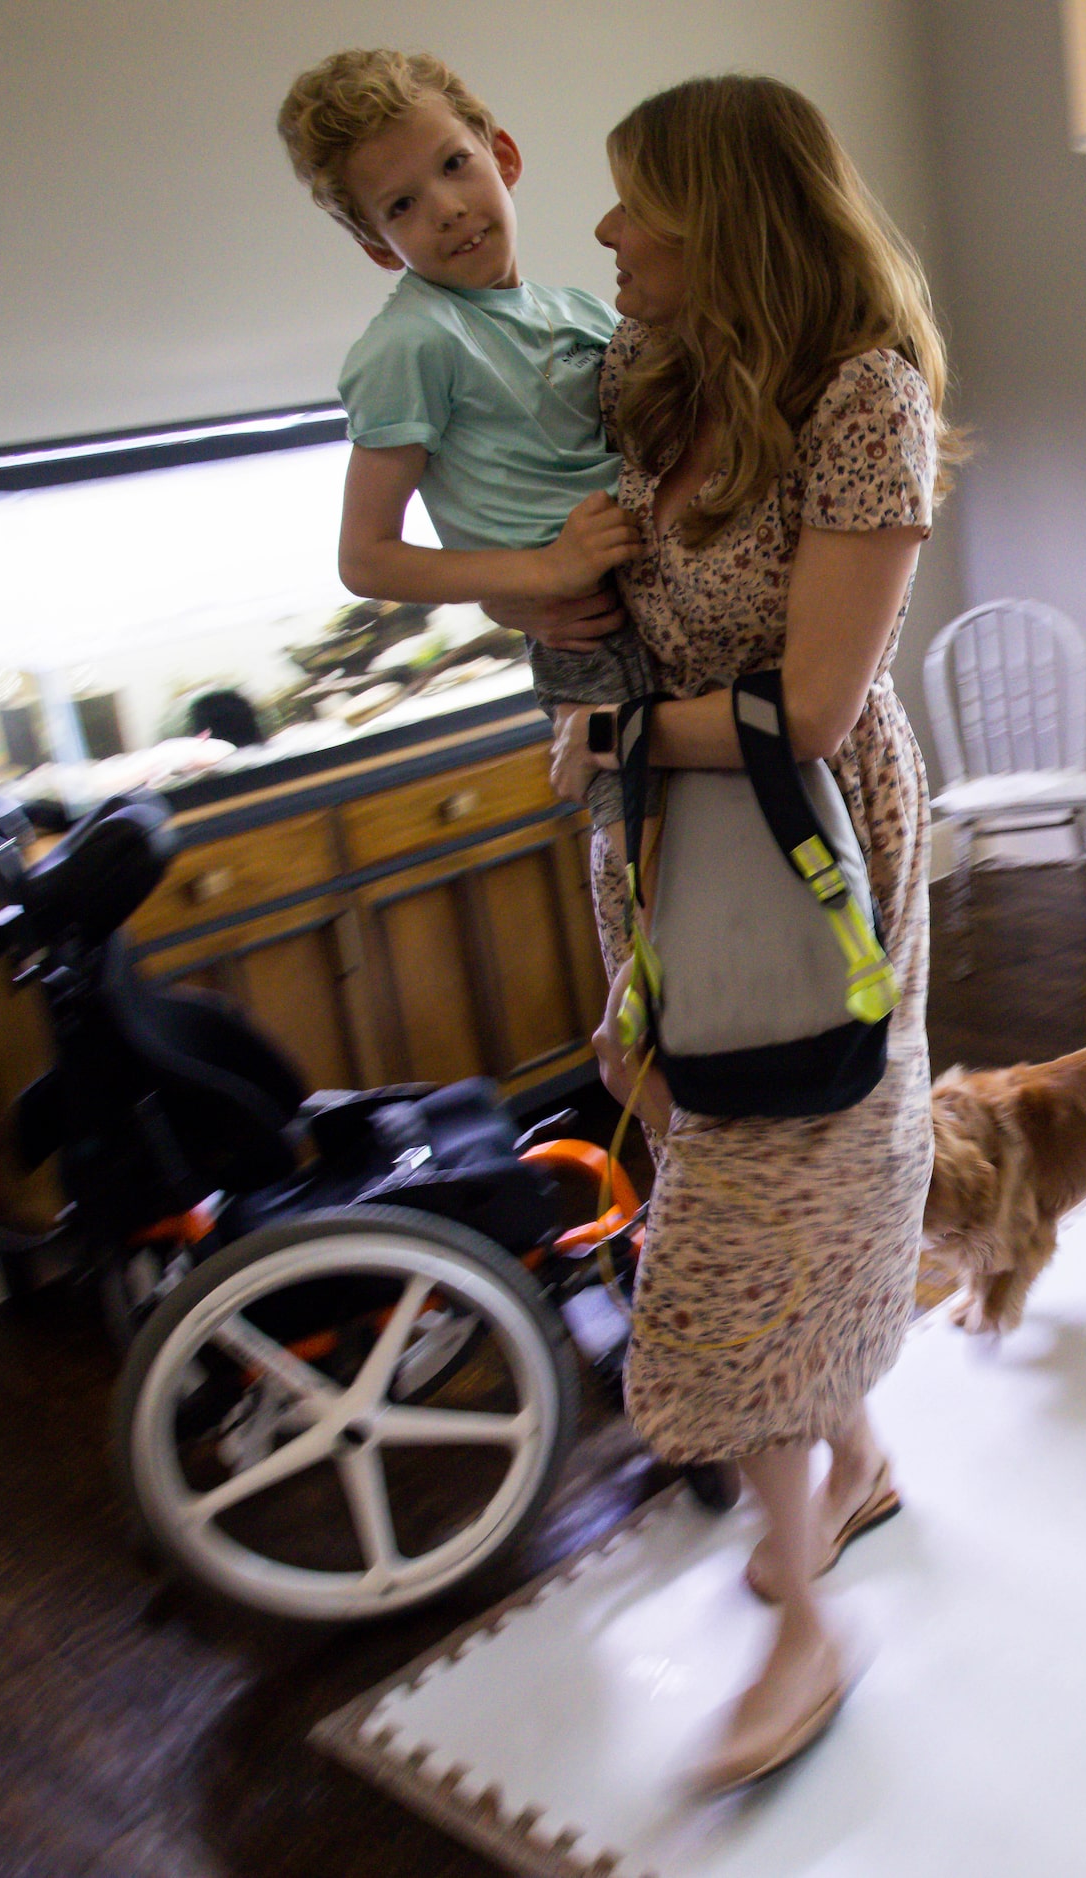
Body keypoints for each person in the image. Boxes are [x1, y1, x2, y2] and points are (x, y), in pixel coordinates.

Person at [528, 73, 950, 1795]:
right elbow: (581, 625)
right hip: (656, 842)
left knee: (742, 1207)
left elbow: (812, 700)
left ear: (726, 216)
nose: (609, 234)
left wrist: (614, 731)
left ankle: (794, 1599)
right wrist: (562, 617)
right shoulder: (643, 382)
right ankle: (847, 1444)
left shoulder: (866, 394)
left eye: (636, 203)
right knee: (700, 1117)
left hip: (807, 839)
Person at [277, 48, 650, 823]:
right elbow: (365, 556)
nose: (445, 207)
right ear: (379, 245)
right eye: (402, 206)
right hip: (594, 634)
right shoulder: (413, 343)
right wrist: (536, 576)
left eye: (454, 164)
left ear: (502, 156)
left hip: (657, 592)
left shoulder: (578, 307)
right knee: (652, 851)